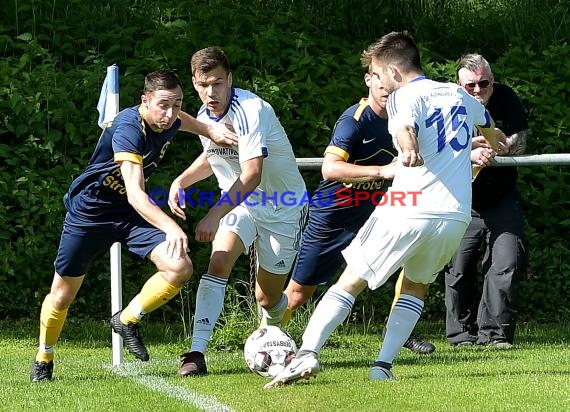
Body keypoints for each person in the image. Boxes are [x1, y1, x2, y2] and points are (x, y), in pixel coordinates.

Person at [264, 31, 498, 389]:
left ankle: (307, 353)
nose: (380, 81)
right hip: (454, 215)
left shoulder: (404, 95)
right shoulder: (455, 93)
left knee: (349, 282)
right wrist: (494, 144)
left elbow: (404, 128)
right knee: (416, 286)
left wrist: (408, 150)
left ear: (391, 69)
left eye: (378, 72)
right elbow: (489, 125)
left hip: (410, 206)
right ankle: (383, 366)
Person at [29, 69, 238, 382]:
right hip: (92, 212)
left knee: (180, 266)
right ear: (145, 101)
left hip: (129, 214)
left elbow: (187, 122)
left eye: (177, 104)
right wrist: (170, 227)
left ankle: (126, 320)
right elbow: (137, 194)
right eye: (163, 105)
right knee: (61, 295)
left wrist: (212, 132)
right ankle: (44, 358)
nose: (170, 114)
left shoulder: (172, 118)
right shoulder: (129, 128)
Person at [276, 48, 435, 355]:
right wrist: (381, 171)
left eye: (389, 78)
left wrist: (471, 146)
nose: (385, 86)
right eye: (377, 78)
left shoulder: (409, 117)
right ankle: (267, 337)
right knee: (297, 294)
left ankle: (400, 334)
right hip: (335, 215)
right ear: (368, 80)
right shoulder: (355, 120)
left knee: (411, 265)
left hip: (380, 211)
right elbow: (330, 168)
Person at [167, 47, 307, 377]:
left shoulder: (252, 109)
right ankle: (196, 353)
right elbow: (214, 155)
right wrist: (181, 180)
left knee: (267, 297)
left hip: (283, 207)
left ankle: (274, 338)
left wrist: (214, 213)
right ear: (194, 83)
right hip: (242, 203)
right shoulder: (204, 116)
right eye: (203, 85)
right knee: (218, 261)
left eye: (217, 83)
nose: (211, 92)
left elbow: (252, 173)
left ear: (230, 79)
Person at [444, 53, 528, 348]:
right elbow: (434, 148)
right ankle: (461, 335)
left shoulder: (505, 97)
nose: (478, 90)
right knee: (459, 267)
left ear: (492, 80)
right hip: (461, 198)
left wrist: (505, 145)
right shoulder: (446, 103)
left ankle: (495, 334)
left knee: (506, 262)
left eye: (484, 83)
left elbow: (522, 137)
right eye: (471, 86)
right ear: (459, 85)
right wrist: (469, 149)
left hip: (502, 197)